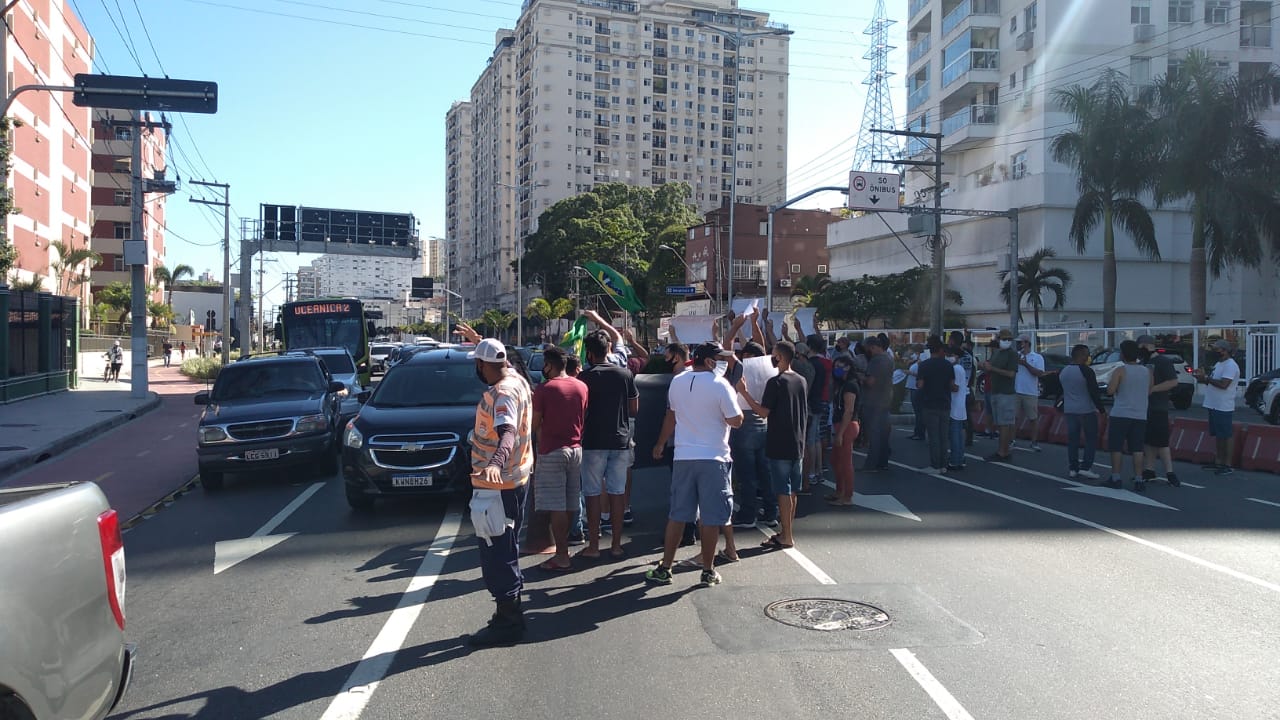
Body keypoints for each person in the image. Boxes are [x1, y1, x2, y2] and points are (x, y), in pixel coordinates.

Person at [648, 342, 743, 587]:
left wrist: (660, 443)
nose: (724, 363)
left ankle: (665, 567)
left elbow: (671, 416)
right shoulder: (721, 385)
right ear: (710, 361)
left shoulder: (678, 382)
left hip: (684, 456)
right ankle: (708, 570)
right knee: (711, 517)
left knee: (678, 514)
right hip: (714, 458)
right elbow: (736, 420)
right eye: (720, 359)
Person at [465, 337, 534, 646]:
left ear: (482, 365)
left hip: (498, 485)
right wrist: (478, 341)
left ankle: (508, 621)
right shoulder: (516, 378)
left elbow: (507, 433)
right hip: (516, 478)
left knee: (498, 552)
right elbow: (502, 358)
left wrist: (495, 463)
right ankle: (509, 611)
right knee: (507, 545)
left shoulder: (503, 393)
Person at [736, 340, 807, 550]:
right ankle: (786, 531)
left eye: (773, 355)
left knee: (783, 490)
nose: (771, 359)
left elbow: (763, 412)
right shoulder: (800, 380)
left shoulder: (776, 382)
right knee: (792, 490)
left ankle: (787, 535)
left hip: (779, 442)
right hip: (797, 441)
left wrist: (744, 392)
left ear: (780, 357)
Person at [577, 330, 639, 559]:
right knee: (617, 493)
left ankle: (594, 546)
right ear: (608, 350)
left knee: (592, 494)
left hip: (593, 440)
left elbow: (579, 410)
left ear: (590, 354)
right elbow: (634, 409)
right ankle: (616, 545)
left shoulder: (584, 378)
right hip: (620, 439)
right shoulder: (625, 374)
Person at [530, 347, 588, 571]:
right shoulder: (581, 386)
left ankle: (562, 555)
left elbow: (534, 424)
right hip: (576, 449)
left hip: (552, 451)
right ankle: (565, 548)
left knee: (556, 506)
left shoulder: (544, 389)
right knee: (571, 502)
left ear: (549, 365)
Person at [1105, 340, 1152, 491]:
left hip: (1121, 413)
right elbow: (1149, 390)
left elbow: (1110, 390)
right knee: (1137, 448)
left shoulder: (1120, 370)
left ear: (1123, 354)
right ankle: (1139, 479)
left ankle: (1116, 477)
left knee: (1116, 447)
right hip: (1140, 414)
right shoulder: (1147, 371)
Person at [1138, 335, 1181, 487]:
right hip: (1144, 407)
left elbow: (1173, 382)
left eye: (1141, 347)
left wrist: (1153, 389)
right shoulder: (1143, 362)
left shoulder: (1163, 361)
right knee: (1148, 440)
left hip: (1158, 407)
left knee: (1161, 441)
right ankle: (1149, 470)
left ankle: (1170, 472)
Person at [1194, 339, 1240, 476]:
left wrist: (1207, 378)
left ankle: (1227, 464)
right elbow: (1213, 382)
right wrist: (1202, 378)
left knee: (1226, 435)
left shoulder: (1230, 365)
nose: (1213, 352)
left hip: (1223, 405)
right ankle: (1219, 461)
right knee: (1219, 435)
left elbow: (1224, 384)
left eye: (1216, 349)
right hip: (1213, 404)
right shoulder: (1219, 364)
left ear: (1224, 350)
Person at [1058, 344, 1105, 480]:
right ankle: (1086, 467)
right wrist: (1102, 410)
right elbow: (1094, 392)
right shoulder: (1086, 371)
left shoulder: (1064, 371)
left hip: (1070, 410)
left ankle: (1073, 468)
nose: (1088, 356)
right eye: (1087, 354)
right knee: (1090, 439)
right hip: (1086, 410)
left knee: (1073, 440)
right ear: (1082, 355)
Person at [917, 337, 957, 473]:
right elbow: (952, 385)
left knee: (933, 436)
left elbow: (920, 385)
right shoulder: (948, 365)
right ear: (940, 350)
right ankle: (944, 465)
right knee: (944, 436)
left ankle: (935, 465)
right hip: (945, 403)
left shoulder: (924, 365)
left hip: (929, 403)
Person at [980, 329, 1020, 462]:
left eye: (1009, 339)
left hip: (1006, 393)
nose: (1006, 341)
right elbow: (989, 368)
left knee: (1004, 424)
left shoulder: (1012, 354)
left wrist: (992, 369)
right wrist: (984, 366)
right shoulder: (996, 353)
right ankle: (1003, 450)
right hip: (995, 391)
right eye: (1004, 339)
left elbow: (1011, 374)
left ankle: (1003, 452)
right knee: (999, 423)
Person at [827, 354, 861, 506]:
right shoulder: (843, 384)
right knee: (836, 460)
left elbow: (849, 410)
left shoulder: (850, 386)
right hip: (842, 425)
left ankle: (847, 496)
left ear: (848, 367)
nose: (836, 369)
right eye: (835, 367)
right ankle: (839, 491)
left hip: (846, 426)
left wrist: (840, 434)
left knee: (845, 462)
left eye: (839, 366)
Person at [803, 334, 832, 492]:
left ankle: (812, 472)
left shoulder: (812, 364)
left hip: (813, 402)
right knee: (817, 439)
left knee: (811, 440)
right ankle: (818, 470)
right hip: (822, 400)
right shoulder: (824, 362)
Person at [861, 336, 894, 472]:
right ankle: (882, 462)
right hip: (885, 400)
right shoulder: (889, 359)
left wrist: (860, 377)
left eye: (867, 349)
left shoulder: (876, 361)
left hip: (873, 402)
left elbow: (870, 382)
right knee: (883, 435)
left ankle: (871, 465)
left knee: (874, 434)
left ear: (873, 347)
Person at [1014, 334, 1046, 451]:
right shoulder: (1016, 356)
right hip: (1016, 391)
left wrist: (1026, 364)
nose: (1018, 345)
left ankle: (1034, 442)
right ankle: (1012, 440)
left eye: (1020, 343)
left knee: (1033, 418)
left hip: (1030, 392)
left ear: (1027, 343)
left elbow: (1040, 373)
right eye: (1017, 343)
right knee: (1013, 418)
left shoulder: (1037, 357)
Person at [946, 347, 968, 471]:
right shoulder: (959, 368)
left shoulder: (956, 369)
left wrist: (945, 383)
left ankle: (955, 460)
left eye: (950, 355)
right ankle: (960, 458)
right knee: (958, 434)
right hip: (959, 405)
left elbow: (955, 388)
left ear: (956, 356)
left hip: (955, 406)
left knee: (955, 434)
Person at [906, 347, 925, 441]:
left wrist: (910, 372)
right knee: (917, 412)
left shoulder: (922, 363)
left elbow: (921, 375)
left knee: (919, 412)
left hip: (916, 388)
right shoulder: (916, 362)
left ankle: (919, 433)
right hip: (913, 387)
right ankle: (917, 432)